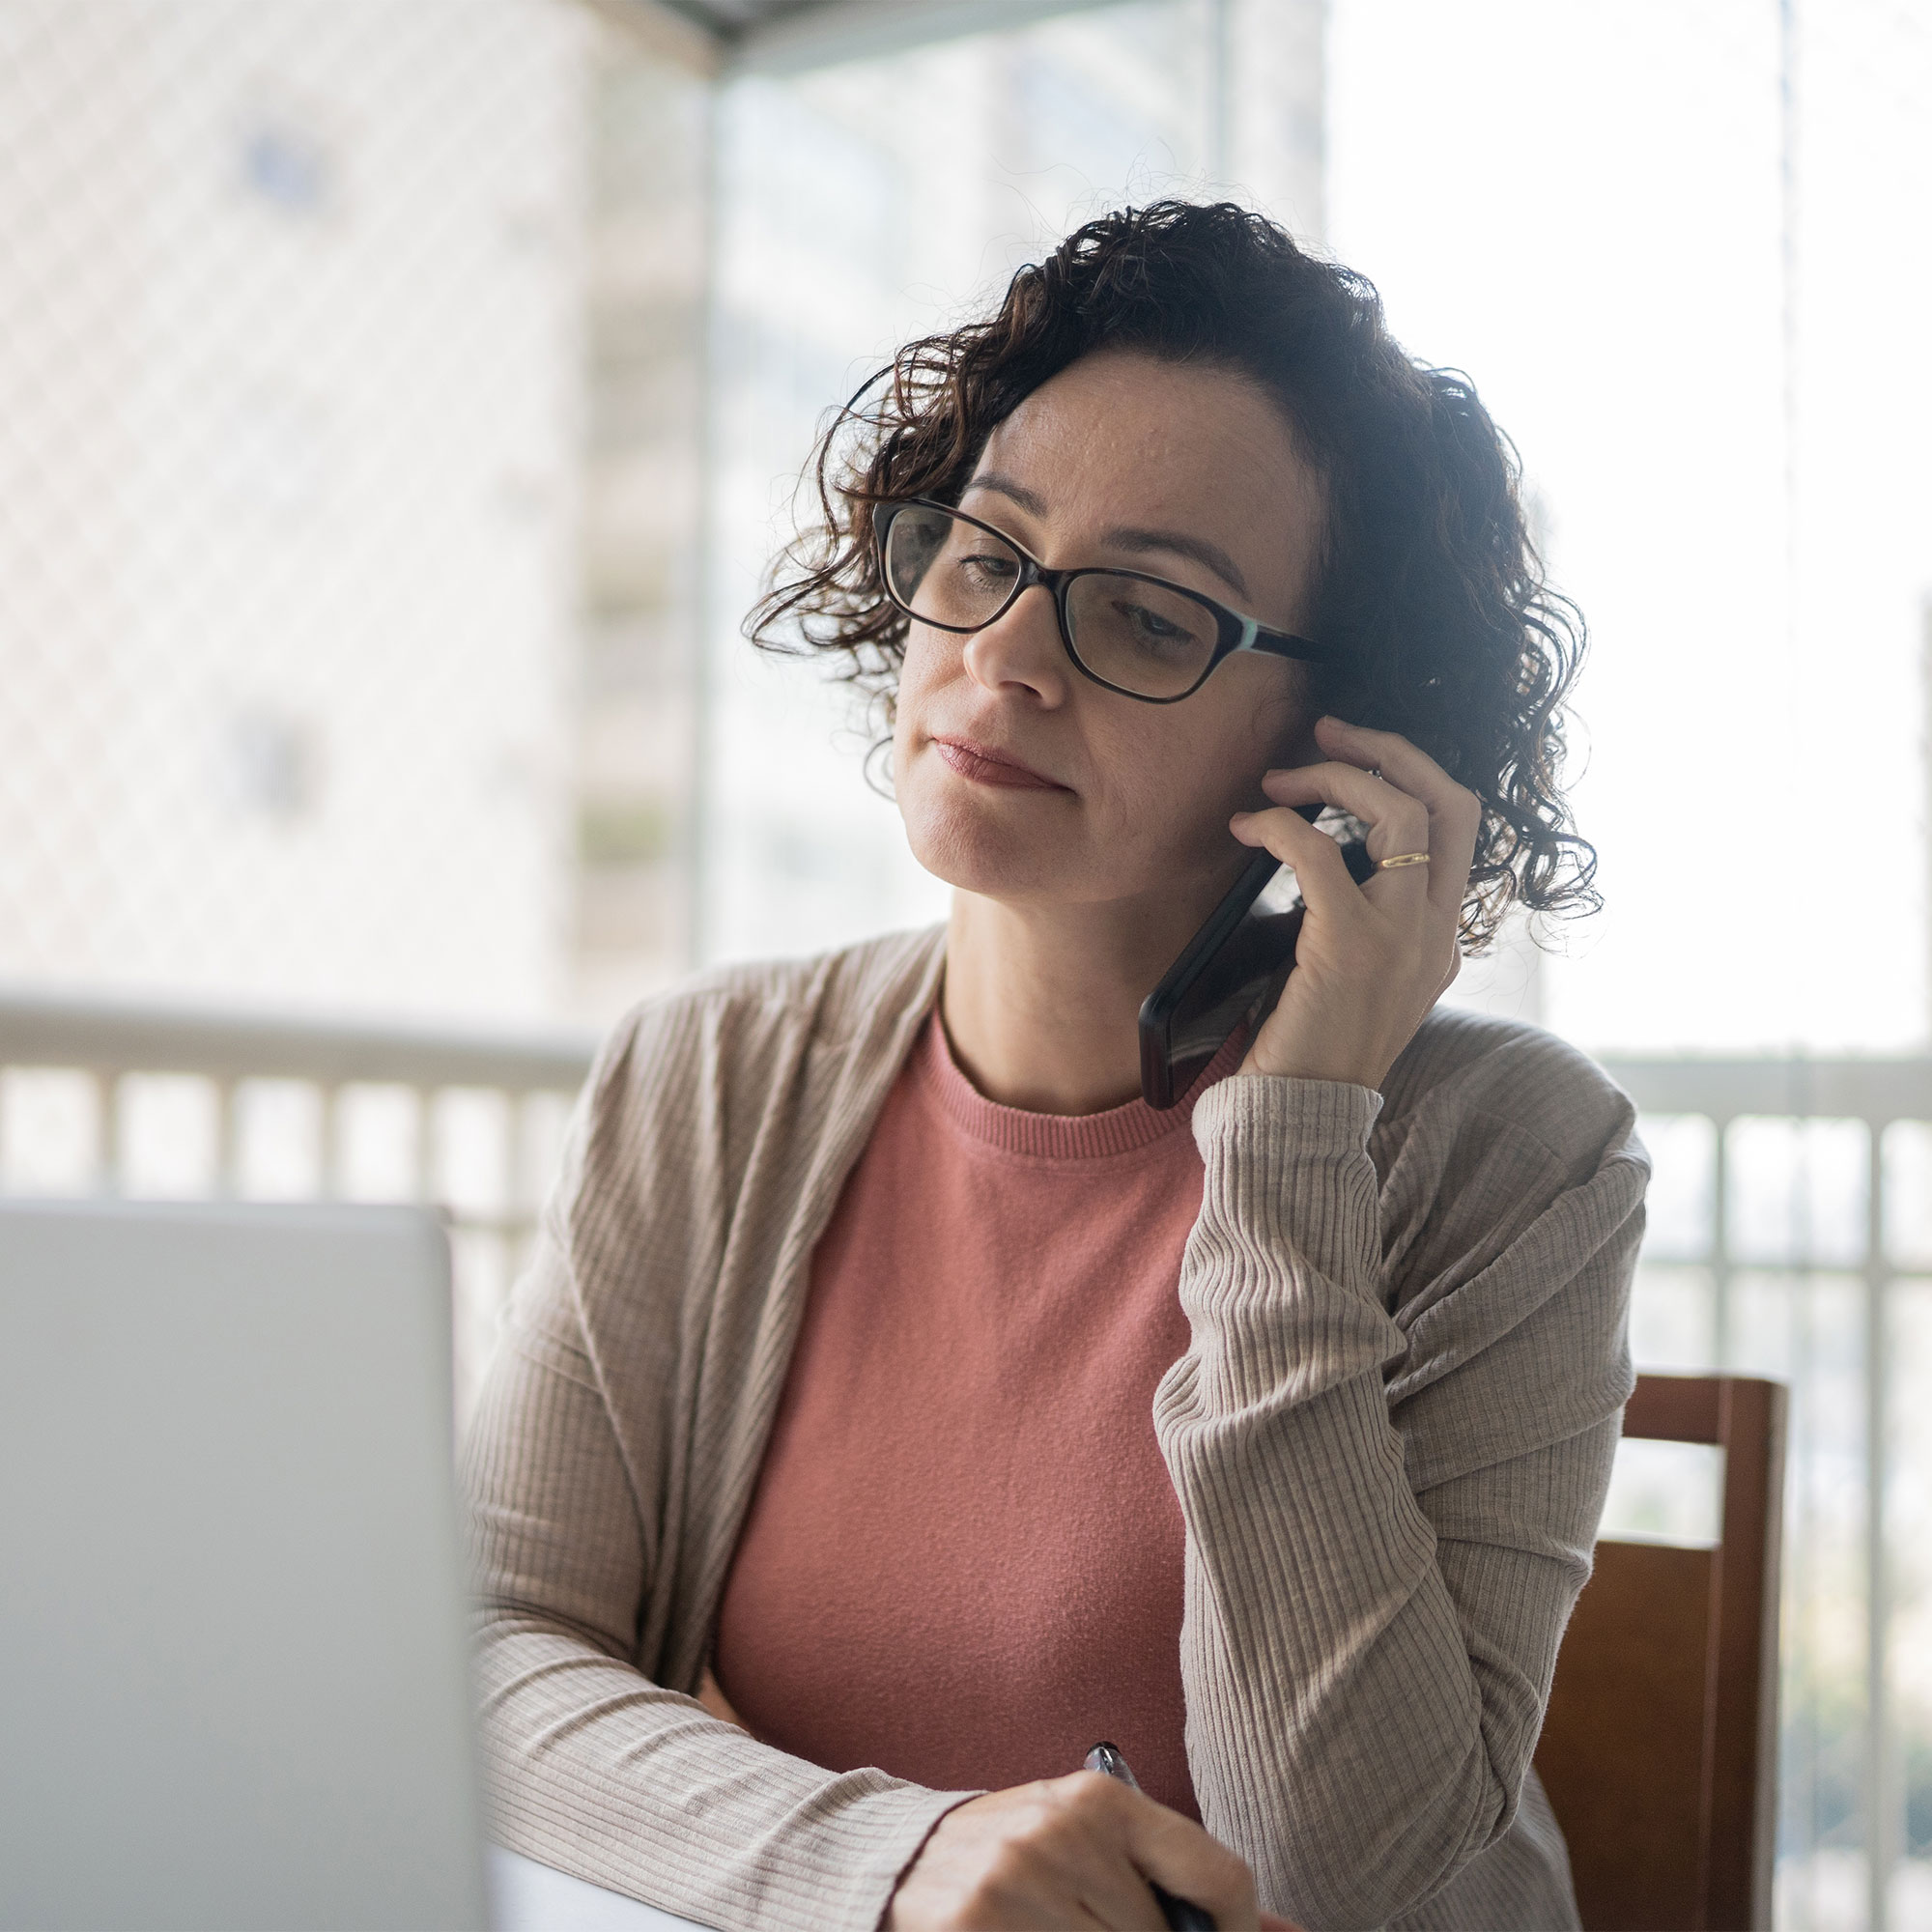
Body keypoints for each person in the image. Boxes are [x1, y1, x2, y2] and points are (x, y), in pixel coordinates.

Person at [464, 201, 1648, 1932]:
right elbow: (485, 1654)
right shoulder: (704, 1079)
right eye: (985, 553)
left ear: (1341, 739)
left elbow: (1333, 1869)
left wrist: (1297, 1134)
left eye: (1154, 619)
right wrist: (896, 1858)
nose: (1005, 656)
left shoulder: (1515, 1155)